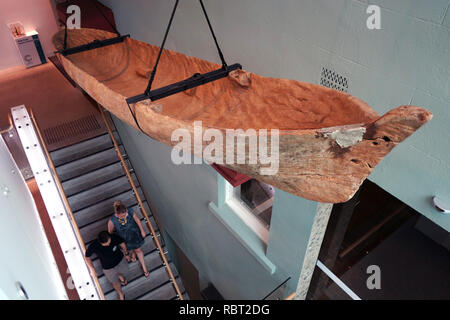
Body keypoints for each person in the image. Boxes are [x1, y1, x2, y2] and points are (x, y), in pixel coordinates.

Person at [108, 200, 149, 278]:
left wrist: (142, 230)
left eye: (124, 215)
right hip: (124, 238)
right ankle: (133, 254)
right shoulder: (112, 220)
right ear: (116, 214)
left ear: (126, 210)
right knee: (129, 249)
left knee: (139, 250)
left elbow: (137, 220)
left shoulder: (130, 211)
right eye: (121, 216)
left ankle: (144, 267)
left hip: (134, 233)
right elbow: (110, 232)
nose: (124, 217)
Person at [85, 231, 129, 300]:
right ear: (100, 243)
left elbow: (122, 243)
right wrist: (92, 270)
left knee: (124, 271)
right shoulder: (94, 245)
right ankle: (120, 293)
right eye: (105, 244)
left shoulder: (113, 237)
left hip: (120, 261)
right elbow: (87, 257)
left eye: (109, 241)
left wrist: (126, 253)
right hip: (108, 268)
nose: (108, 244)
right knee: (114, 282)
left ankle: (120, 276)